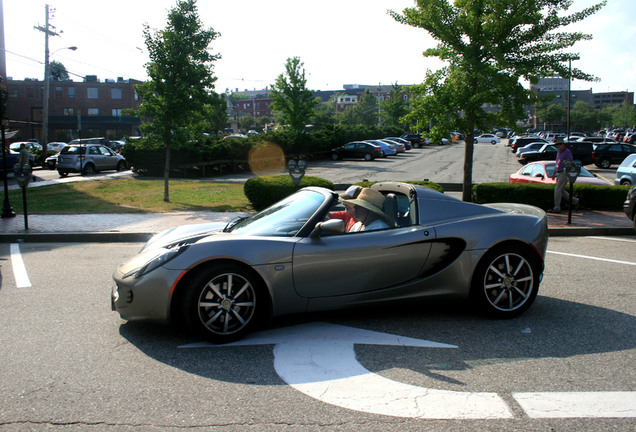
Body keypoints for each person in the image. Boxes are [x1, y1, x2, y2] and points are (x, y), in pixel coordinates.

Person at [549, 140, 579, 213]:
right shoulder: (558, 152)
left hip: (564, 173)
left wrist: (570, 174)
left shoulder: (567, 152)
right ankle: (575, 201)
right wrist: (554, 174)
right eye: (557, 145)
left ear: (564, 145)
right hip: (559, 173)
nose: (558, 146)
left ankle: (557, 208)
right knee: (561, 191)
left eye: (560, 144)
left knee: (557, 190)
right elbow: (557, 164)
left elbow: (570, 163)